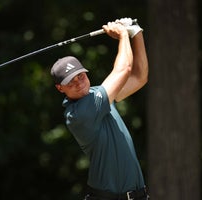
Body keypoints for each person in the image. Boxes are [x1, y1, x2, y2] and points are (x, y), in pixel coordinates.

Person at [51, 18, 149, 200]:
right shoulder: (79, 114)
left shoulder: (98, 93)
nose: (78, 83)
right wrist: (123, 36)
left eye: (80, 76)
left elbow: (139, 77)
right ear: (60, 88)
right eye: (69, 82)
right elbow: (124, 69)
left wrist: (136, 33)